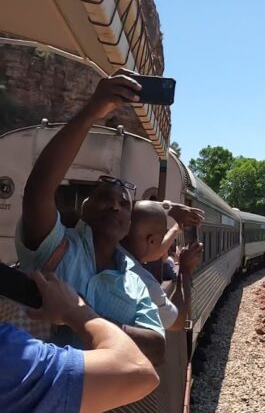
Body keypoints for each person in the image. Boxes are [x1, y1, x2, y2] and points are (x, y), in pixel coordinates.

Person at [17, 72, 165, 364]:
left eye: (124, 204)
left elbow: (157, 349)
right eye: (104, 197)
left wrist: (81, 316)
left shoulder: (135, 282)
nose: (114, 205)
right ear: (83, 208)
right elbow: (37, 193)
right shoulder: (57, 248)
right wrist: (90, 114)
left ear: (128, 225)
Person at [1, 271, 159, 413]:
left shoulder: (135, 278)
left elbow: (158, 347)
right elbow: (138, 371)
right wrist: (76, 310)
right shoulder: (9, 356)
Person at [121, 200, 204, 331]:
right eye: (162, 239)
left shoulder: (103, 248)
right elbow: (178, 321)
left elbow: (154, 250)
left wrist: (171, 212)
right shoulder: (142, 283)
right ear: (152, 240)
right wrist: (185, 270)